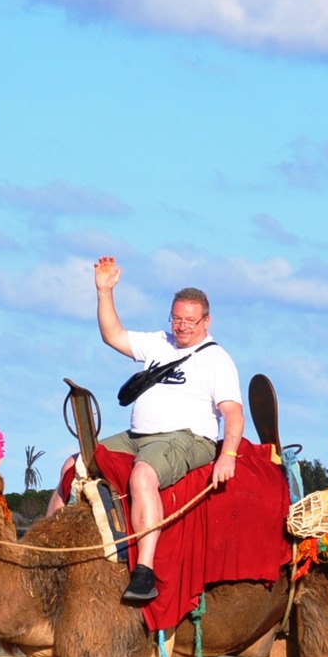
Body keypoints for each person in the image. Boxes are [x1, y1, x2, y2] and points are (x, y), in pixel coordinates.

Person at [50, 256, 244, 605]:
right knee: (71, 465)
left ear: (206, 320)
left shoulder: (216, 359)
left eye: (189, 320)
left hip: (186, 438)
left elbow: (233, 413)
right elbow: (113, 335)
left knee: (142, 477)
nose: (182, 327)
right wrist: (104, 291)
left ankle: (144, 571)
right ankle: (45, 549)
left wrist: (227, 454)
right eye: (176, 318)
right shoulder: (160, 343)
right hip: (137, 436)